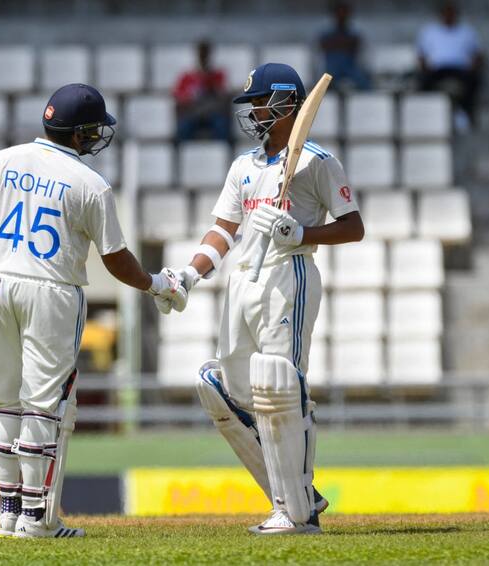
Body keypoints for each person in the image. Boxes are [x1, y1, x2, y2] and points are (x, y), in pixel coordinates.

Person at [0, 83, 185, 539]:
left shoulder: (3, 160)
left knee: (7, 406)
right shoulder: (91, 184)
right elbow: (115, 259)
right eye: (93, 130)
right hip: (53, 292)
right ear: (80, 133)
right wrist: (155, 285)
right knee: (44, 409)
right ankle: (36, 519)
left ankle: (8, 513)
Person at [156, 63, 364, 535]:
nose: (251, 112)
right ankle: (297, 494)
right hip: (242, 283)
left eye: (259, 102)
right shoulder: (243, 166)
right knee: (219, 387)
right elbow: (224, 231)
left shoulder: (317, 162)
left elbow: (354, 227)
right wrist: (189, 274)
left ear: (288, 103)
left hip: (287, 275)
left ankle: (296, 511)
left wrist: (301, 233)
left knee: (280, 386)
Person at [417, 1, 484, 129]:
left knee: (474, 81)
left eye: (451, 13)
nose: (449, 16)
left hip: (460, 69)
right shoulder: (429, 31)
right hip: (437, 69)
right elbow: (421, 55)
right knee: (423, 82)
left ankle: (467, 112)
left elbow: (478, 55)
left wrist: (473, 67)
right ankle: (427, 115)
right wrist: (425, 68)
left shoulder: (467, 31)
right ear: (441, 15)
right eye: (446, 13)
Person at [172, 41, 230, 141]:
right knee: (183, 128)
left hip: (212, 113)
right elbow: (178, 96)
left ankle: (223, 153)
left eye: (205, 53)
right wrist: (190, 97)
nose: (203, 57)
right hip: (193, 113)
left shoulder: (217, 74)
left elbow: (223, 96)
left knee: (222, 126)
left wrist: (211, 85)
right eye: (201, 53)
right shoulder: (187, 76)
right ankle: (182, 154)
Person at [318, 1, 371, 90]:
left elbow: (362, 54)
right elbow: (319, 53)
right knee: (323, 85)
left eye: (344, 12)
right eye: (339, 13)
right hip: (332, 70)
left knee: (365, 83)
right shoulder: (325, 35)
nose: (341, 15)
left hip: (350, 69)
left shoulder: (355, 35)